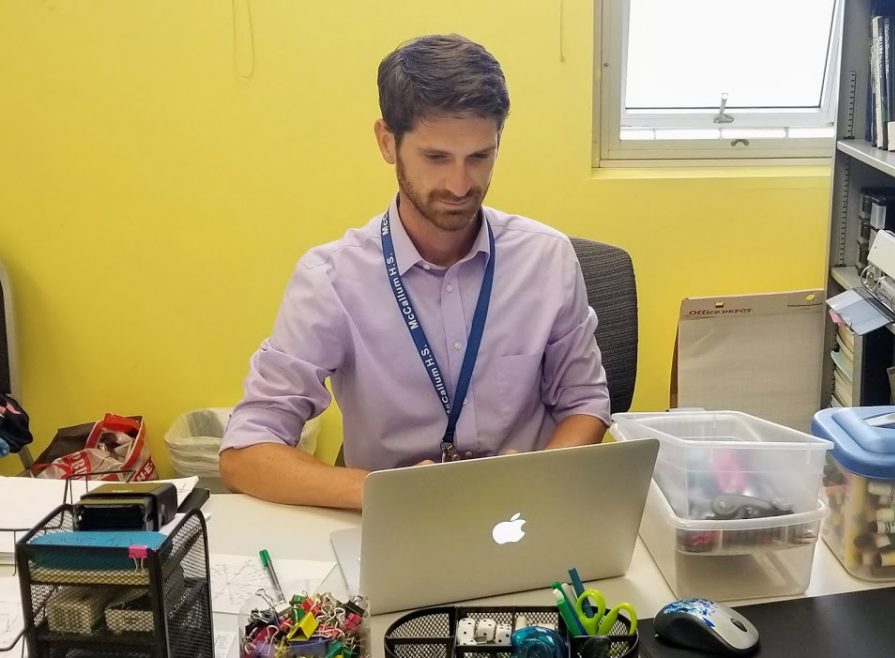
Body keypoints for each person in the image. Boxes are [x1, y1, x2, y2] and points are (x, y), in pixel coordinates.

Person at [219, 34, 610, 509]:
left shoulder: (546, 259)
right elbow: (244, 451)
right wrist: (386, 494)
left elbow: (585, 403)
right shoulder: (332, 279)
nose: (460, 184)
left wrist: (535, 480)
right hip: (394, 519)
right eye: (436, 157)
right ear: (388, 141)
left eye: (479, 157)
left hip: (524, 514)